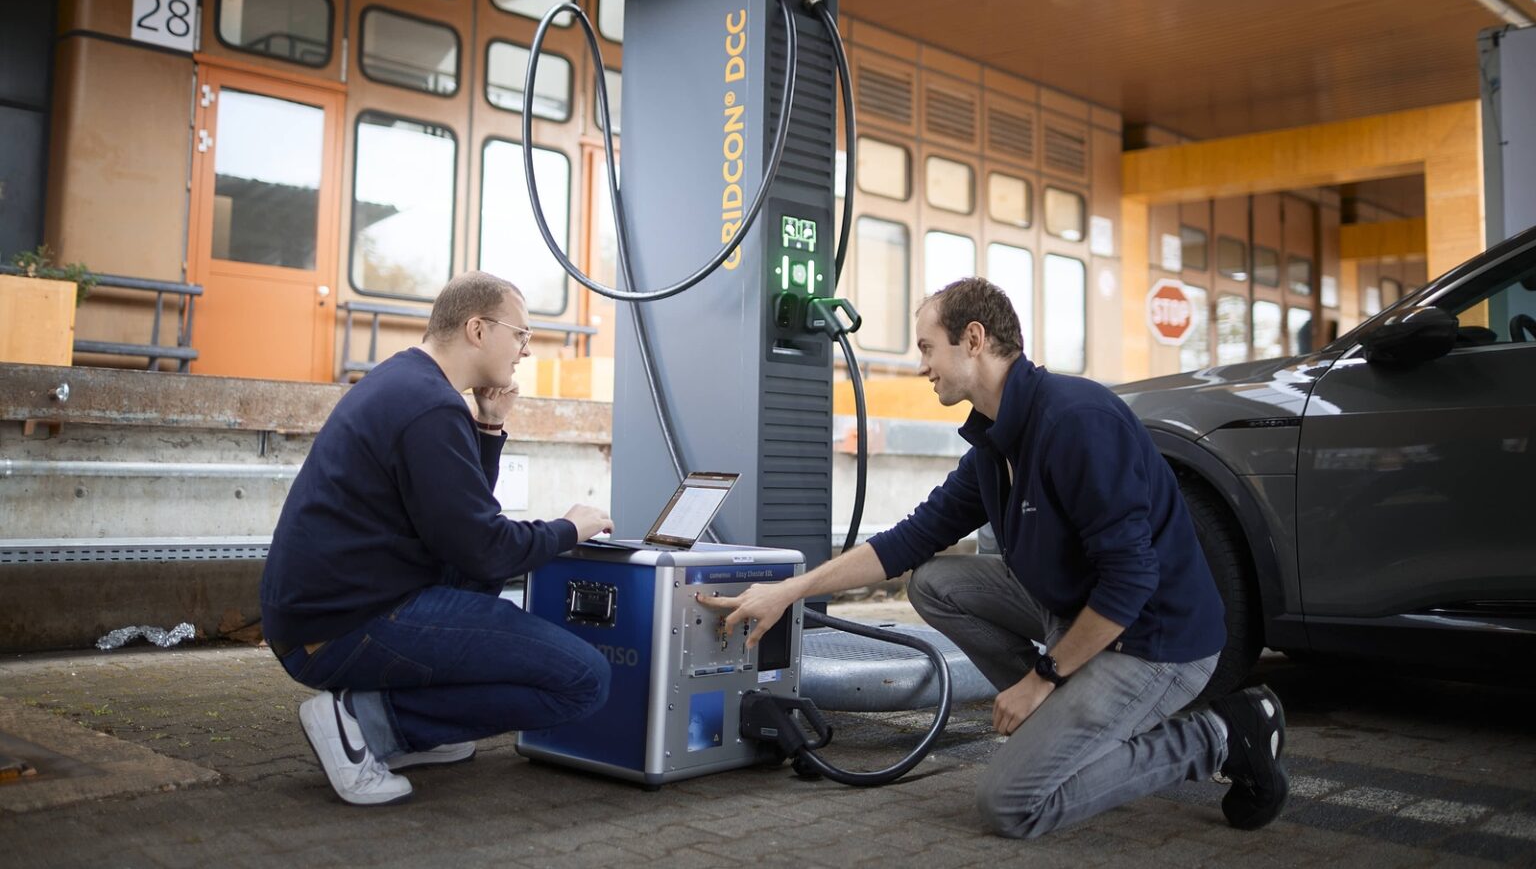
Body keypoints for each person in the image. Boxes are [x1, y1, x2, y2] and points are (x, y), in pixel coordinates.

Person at [701, 277, 1288, 837]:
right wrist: (788, 591)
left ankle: (1223, 734)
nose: (922, 365)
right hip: (1080, 617)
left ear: (974, 340)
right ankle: (1065, 718)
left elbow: (1133, 582)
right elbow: (908, 540)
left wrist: (1042, 678)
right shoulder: (992, 439)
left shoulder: (1077, 422)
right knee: (934, 582)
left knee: (1012, 802)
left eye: (928, 348)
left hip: (1154, 640)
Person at [260, 271, 615, 806]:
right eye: (520, 333)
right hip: (338, 629)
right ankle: (364, 724)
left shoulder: (411, 385)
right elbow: (483, 544)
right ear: (477, 328)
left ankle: (410, 728)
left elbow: (461, 522)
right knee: (584, 680)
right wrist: (570, 530)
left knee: (482, 574)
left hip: (328, 612)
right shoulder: (428, 406)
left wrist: (489, 428)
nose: (524, 349)